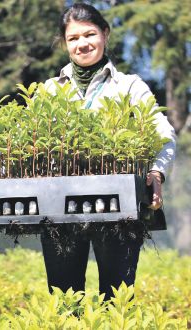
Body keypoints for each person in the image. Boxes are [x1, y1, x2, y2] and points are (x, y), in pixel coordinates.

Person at [39, 2, 175, 301]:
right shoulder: (50, 89)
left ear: (105, 33)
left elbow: (164, 134)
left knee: (117, 300)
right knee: (64, 299)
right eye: (73, 38)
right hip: (59, 204)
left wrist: (156, 172)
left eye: (89, 34)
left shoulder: (129, 86)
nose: (82, 44)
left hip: (119, 205)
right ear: (65, 43)